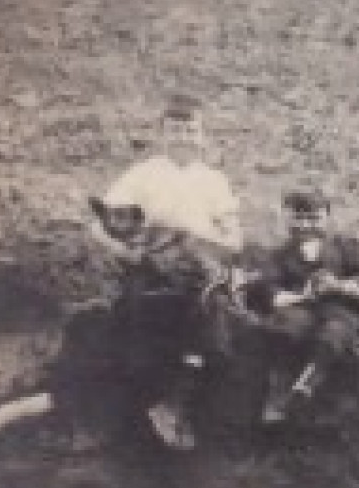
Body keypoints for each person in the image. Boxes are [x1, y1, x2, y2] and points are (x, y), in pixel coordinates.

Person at [80, 94, 242, 450]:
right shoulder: (142, 175)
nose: (183, 136)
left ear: (202, 135)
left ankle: (177, 402)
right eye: (176, 129)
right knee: (138, 318)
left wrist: (219, 247)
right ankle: (121, 416)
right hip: (155, 259)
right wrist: (124, 251)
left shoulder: (213, 179)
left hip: (201, 259)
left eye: (191, 129)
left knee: (211, 313)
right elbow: (99, 225)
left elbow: (234, 235)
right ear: (162, 133)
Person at [243, 185, 359, 429]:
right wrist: (302, 295)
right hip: (298, 306)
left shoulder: (343, 246)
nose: (306, 226)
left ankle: (308, 382)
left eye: (313, 219)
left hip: (337, 305)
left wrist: (342, 285)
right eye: (299, 219)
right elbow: (269, 289)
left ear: (327, 218)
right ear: (289, 219)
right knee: (288, 328)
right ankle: (278, 391)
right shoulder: (279, 254)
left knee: (338, 330)